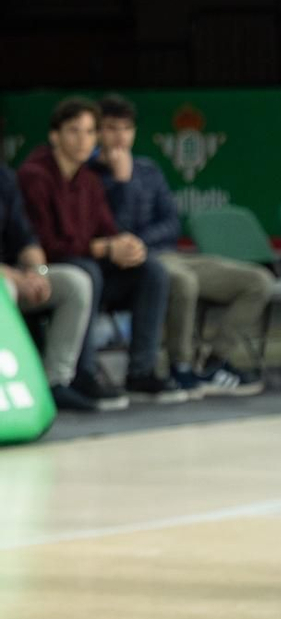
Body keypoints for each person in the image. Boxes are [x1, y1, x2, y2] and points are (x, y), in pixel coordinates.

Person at [93, 95, 270, 396]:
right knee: (183, 282)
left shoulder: (148, 169)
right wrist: (121, 182)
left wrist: (141, 242)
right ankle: (181, 367)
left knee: (257, 281)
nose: (120, 136)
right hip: (134, 267)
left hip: (166, 254)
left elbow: (172, 222)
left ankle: (215, 362)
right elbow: (113, 232)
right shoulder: (89, 178)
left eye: (126, 128)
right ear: (96, 133)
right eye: (111, 128)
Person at [16, 98, 178, 402]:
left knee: (151, 270)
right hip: (46, 272)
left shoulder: (88, 179)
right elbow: (45, 243)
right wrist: (103, 247)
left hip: (87, 268)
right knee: (87, 271)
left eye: (90, 132)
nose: (83, 140)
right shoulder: (34, 175)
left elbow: (107, 231)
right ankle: (83, 374)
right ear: (55, 135)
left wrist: (123, 245)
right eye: (74, 131)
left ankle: (141, 373)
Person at [0, 161, 101, 413]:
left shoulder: (4, 177)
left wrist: (37, 273)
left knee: (75, 282)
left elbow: (26, 237)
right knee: (5, 291)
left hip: (16, 275)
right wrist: (15, 278)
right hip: (8, 281)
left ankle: (55, 382)